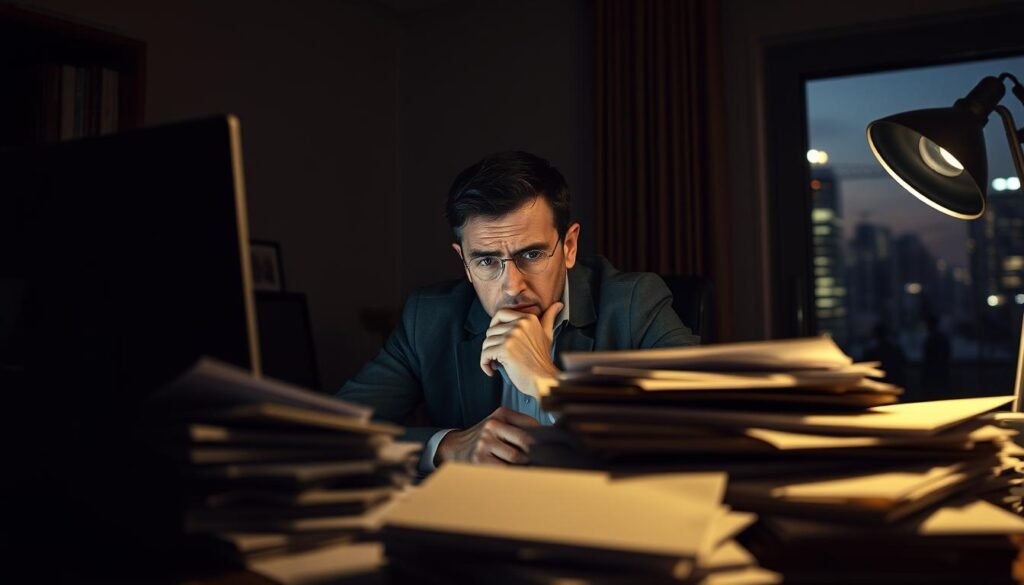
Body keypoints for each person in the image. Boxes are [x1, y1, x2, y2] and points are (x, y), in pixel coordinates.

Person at [337, 151, 697, 473]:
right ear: (464, 262)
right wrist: (446, 447)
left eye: (532, 254)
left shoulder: (634, 302)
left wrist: (549, 384)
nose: (512, 286)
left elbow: (701, 432)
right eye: (487, 261)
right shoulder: (428, 319)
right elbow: (335, 433)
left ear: (569, 246)